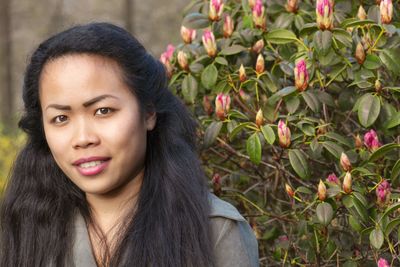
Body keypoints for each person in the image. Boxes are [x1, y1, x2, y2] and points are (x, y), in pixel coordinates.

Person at [0, 22, 258, 267]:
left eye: (103, 111)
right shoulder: (20, 229)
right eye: (60, 118)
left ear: (148, 112)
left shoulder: (214, 229)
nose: (83, 138)